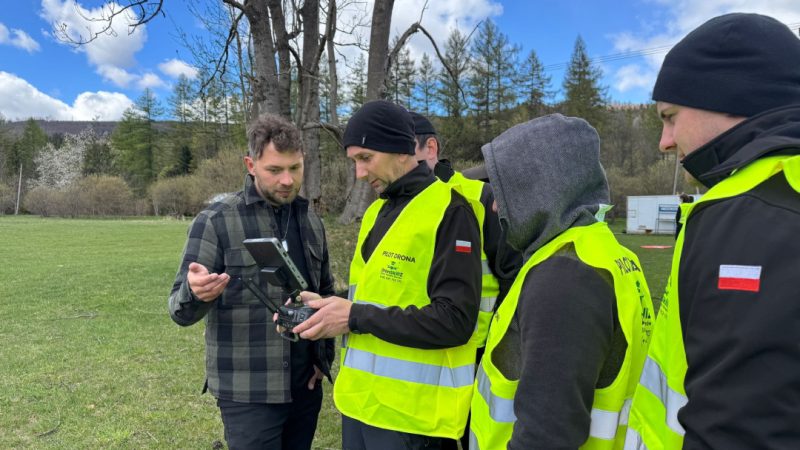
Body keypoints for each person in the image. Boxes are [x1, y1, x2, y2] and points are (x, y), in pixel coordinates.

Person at [625, 13, 800, 450]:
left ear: (729, 97)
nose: (665, 141)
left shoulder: (749, 209)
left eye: (670, 116)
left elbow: (740, 431)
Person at [291, 100, 483, 449]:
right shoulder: (376, 212)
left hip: (414, 421)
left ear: (400, 149)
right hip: (360, 406)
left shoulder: (451, 211)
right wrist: (328, 306)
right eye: (354, 162)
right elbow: (375, 295)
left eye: (365, 158)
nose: (360, 174)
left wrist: (355, 316)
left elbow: (456, 320)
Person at [469, 114, 655, 449]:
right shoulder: (602, 252)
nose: (495, 206)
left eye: (505, 191)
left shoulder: (564, 276)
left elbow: (547, 435)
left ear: (540, 188)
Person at [168, 114, 335, 450]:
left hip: (306, 388)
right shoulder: (216, 221)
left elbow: (326, 294)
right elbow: (178, 310)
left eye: (295, 168)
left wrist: (322, 361)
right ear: (251, 164)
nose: (287, 180)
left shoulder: (312, 222)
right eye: (275, 170)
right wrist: (196, 293)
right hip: (247, 391)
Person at [410, 111, 522, 450]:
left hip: (477, 360)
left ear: (430, 148)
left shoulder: (479, 198)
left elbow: (514, 277)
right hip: (423, 358)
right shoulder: (400, 206)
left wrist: (502, 351)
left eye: (403, 152)